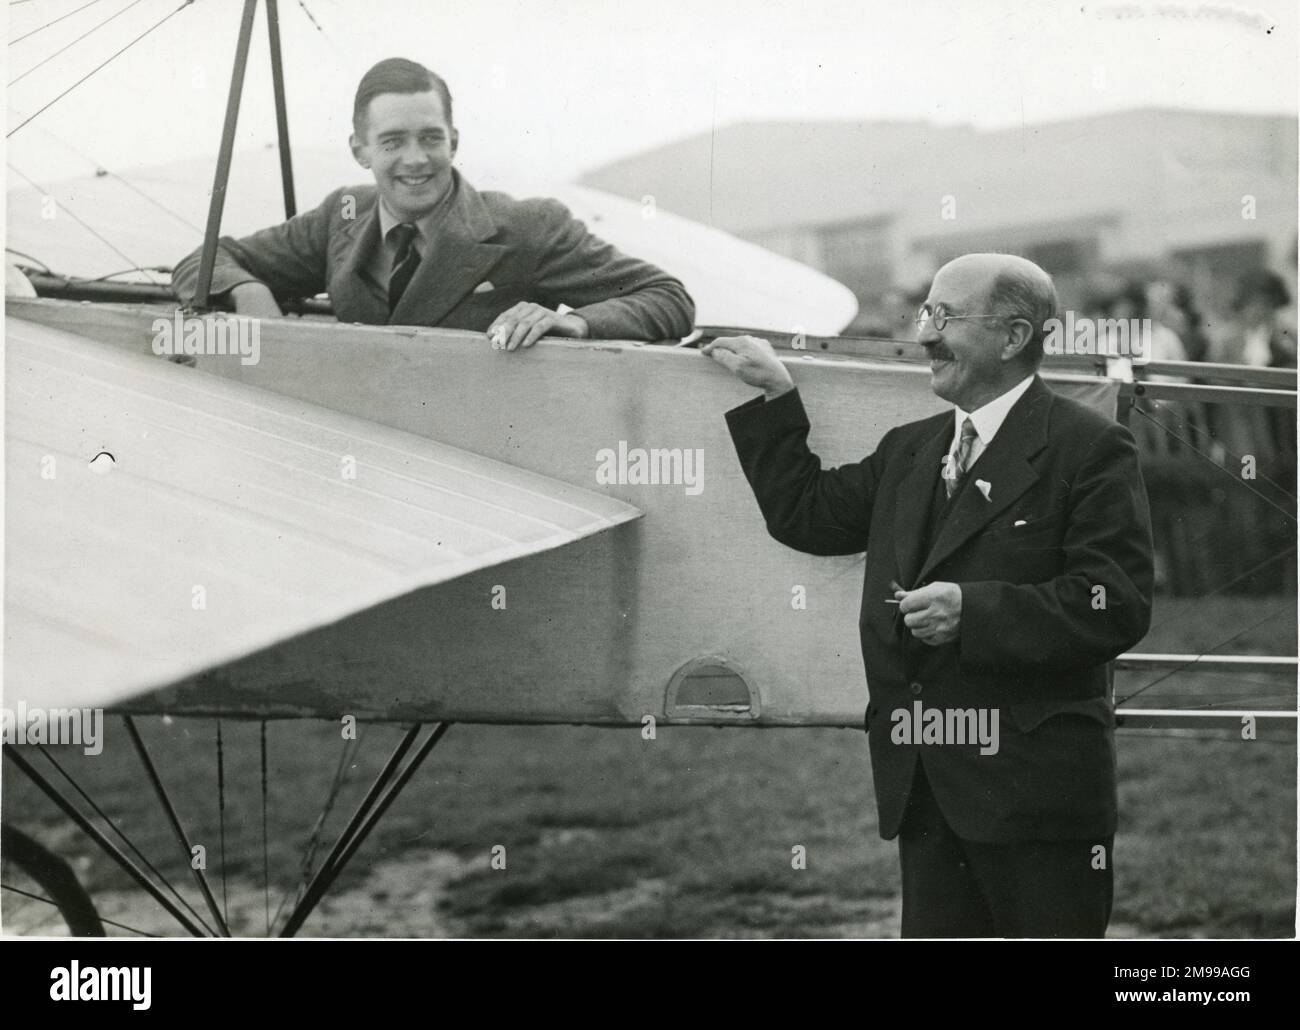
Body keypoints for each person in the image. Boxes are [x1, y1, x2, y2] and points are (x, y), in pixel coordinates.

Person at [704, 253, 1154, 937]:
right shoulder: (909, 450)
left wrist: (973, 613)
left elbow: (1114, 601)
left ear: (1012, 337)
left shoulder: (1089, 447)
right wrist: (775, 397)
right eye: (925, 314)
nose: (923, 336)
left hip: (1036, 798)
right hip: (927, 793)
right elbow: (807, 514)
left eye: (945, 317)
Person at [171, 58, 695, 349]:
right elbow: (203, 260)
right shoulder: (343, 215)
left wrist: (578, 322)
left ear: (454, 141)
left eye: (431, 138)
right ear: (361, 152)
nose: (416, 160)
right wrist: (249, 291)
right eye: (393, 142)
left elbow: (667, 297)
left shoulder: (526, 226)